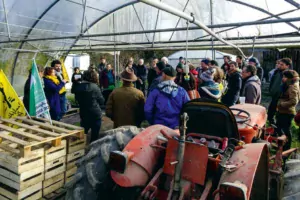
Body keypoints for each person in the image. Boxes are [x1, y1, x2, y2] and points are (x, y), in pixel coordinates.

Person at [76, 70, 105, 142]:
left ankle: (80, 149)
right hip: (95, 113)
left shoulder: (79, 86)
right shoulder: (95, 87)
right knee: (94, 136)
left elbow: (77, 99)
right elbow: (102, 101)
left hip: (84, 112)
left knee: (82, 135)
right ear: (94, 77)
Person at [276, 70, 300, 150]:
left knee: (285, 130)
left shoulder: (292, 87)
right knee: (279, 128)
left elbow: (294, 101)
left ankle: (286, 147)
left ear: (290, 78)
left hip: (287, 112)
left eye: (285, 77)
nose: (283, 78)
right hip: (283, 111)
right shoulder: (288, 85)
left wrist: (282, 104)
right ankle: (281, 145)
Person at [268, 58, 292, 124]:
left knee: (279, 117)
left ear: (287, 66)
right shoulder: (277, 72)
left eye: (282, 64)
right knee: (270, 114)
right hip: (274, 96)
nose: (279, 66)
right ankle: (272, 127)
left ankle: (278, 130)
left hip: (281, 98)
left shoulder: (288, 75)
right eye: (279, 64)